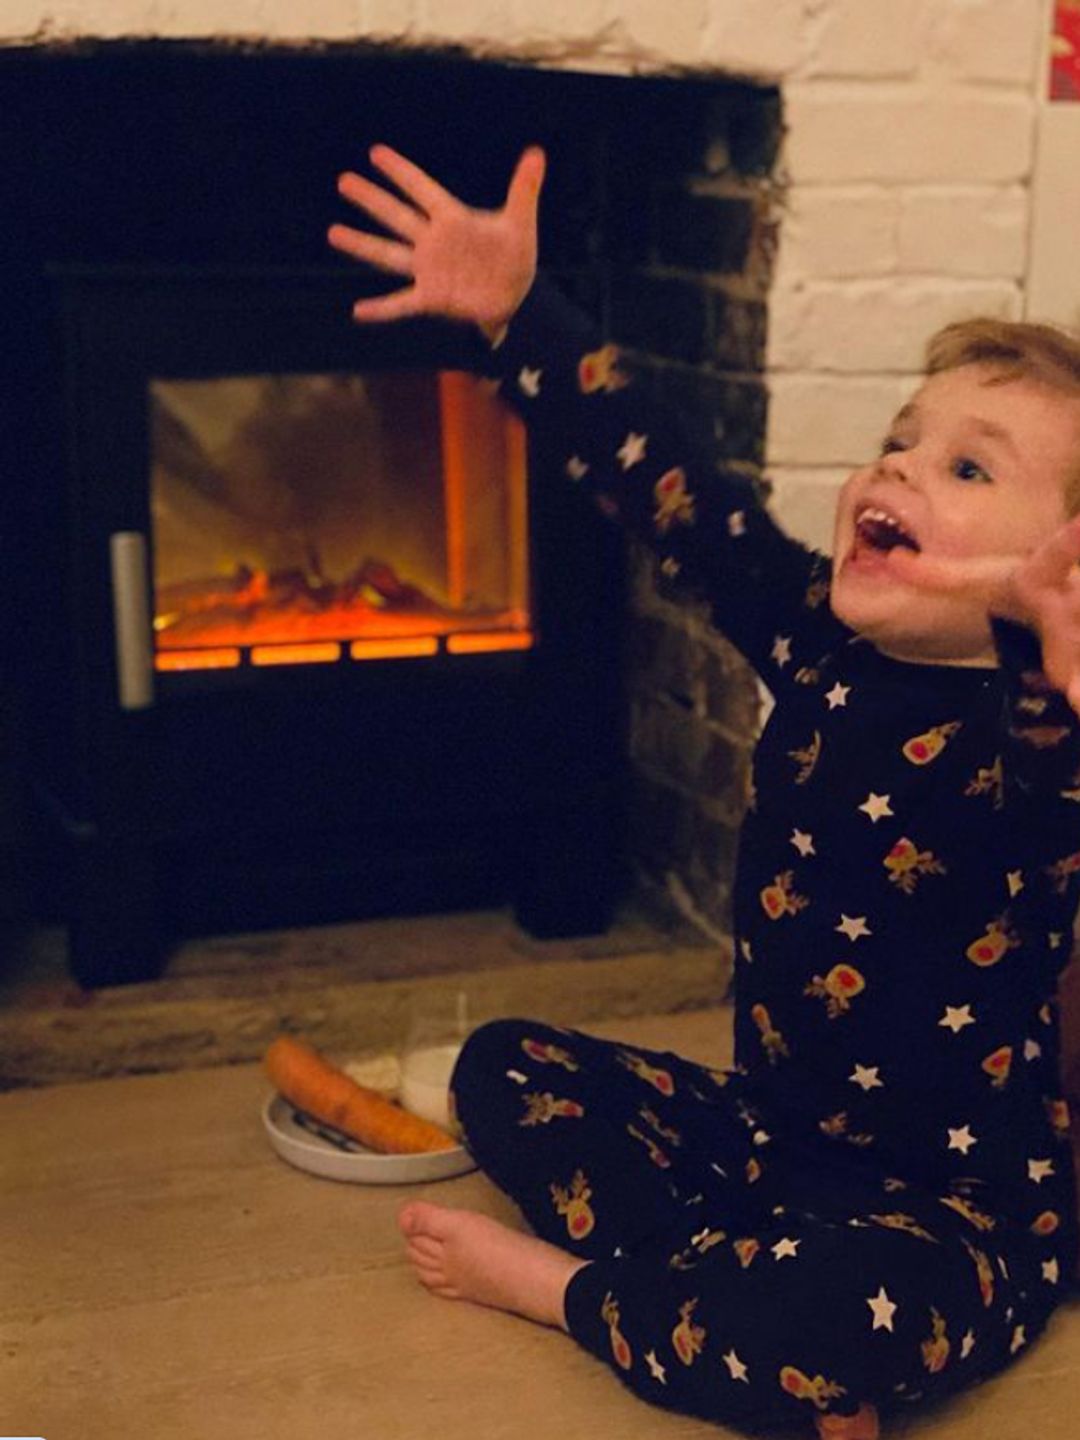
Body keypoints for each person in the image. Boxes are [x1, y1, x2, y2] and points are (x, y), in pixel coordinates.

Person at [328, 146, 1080, 1440]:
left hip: (958, 1217)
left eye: (968, 470)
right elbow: (684, 502)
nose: (894, 470)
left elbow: (1055, 757)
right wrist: (523, 316)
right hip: (766, 1144)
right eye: (899, 442)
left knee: (839, 1320)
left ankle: (580, 1297)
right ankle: (734, 1311)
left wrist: (1050, 664)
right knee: (503, 1071)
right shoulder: (823, 646)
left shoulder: (1034, 736)